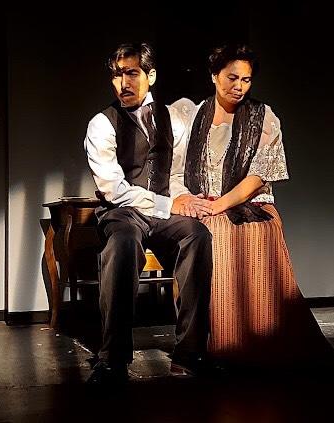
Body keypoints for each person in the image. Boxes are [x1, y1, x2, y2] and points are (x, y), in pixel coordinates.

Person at [177, 44, 334, 372]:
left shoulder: (263, 117)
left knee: (250, 230)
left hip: (249, 204)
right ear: (214, 76)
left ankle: (256, 338)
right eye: (231, 78)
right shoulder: (191, 115)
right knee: (210, 233)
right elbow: (173, 168)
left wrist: (221, 204)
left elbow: (258, 177)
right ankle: (217, 343)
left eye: (246, 80)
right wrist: (191, 201)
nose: (239, 86)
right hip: (204, 203)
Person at [84, 42, 213, 384]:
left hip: (163, 208)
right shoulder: (101, 124)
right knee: (123, 243)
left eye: (131, 73)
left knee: (197, 235)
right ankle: (112, 358)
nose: (122, 83)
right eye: (116, 74)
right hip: (124, 212)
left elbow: (176, 174)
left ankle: (190, 353)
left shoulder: (174, 117)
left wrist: (186, 201)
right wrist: (168, 204)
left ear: (150, 76)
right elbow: (113, 189)